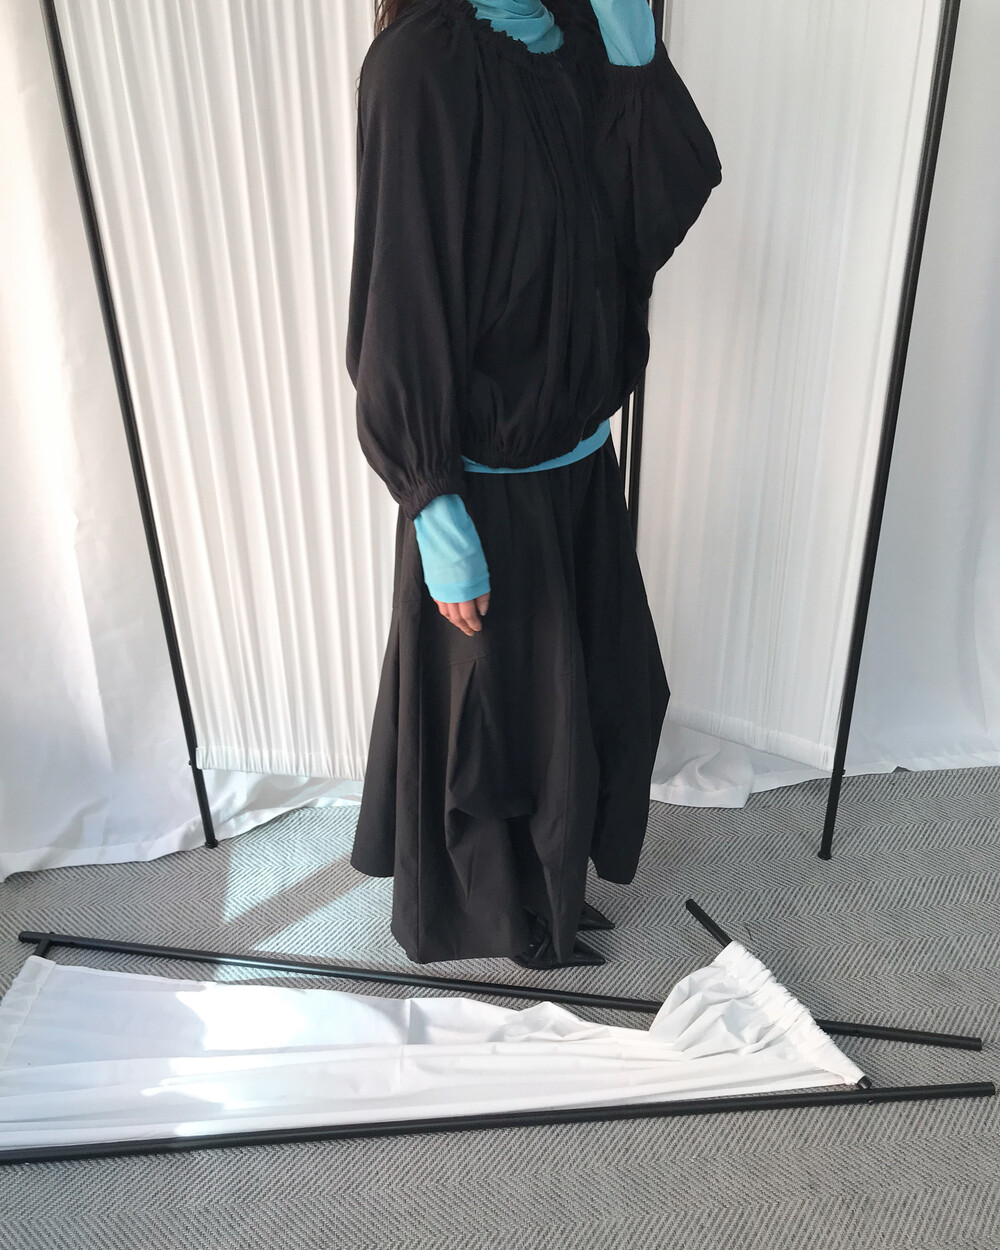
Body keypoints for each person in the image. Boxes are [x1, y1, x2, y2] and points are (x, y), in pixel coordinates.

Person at [345, 0, 722, 969]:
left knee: (595, 698)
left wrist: (630, 46)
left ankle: (551, 901)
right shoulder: (420, 68)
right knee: (501, 726)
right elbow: (401, 292)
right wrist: (433, 504)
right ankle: (504, 920)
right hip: (481, 481)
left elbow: (648, 211)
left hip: (578, 461)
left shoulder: (576, 37)